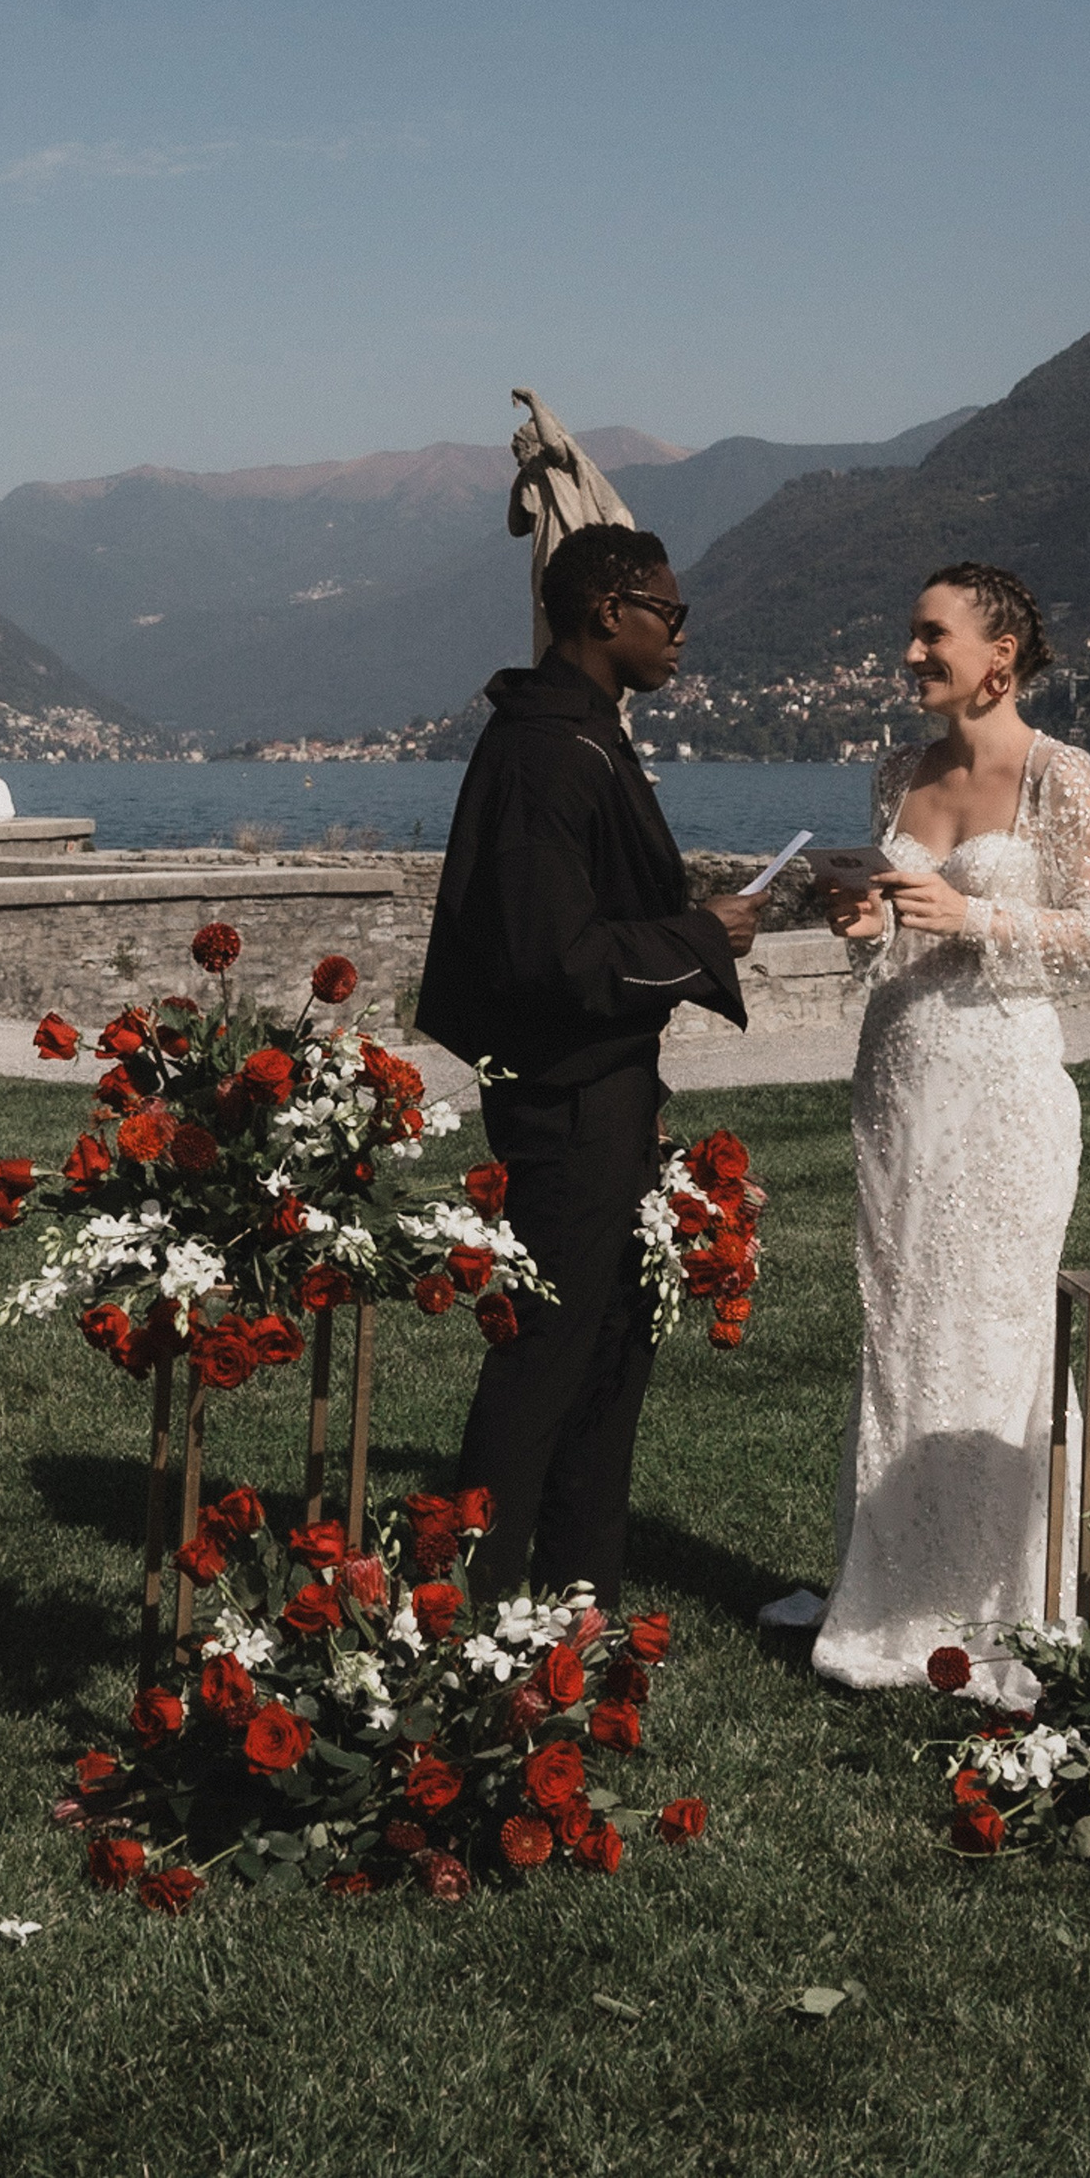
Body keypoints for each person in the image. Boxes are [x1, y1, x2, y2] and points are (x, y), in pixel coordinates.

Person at [782, 563, 1090, 1696]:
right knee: (900, 1322)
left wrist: (976, 911)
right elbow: (889, 933)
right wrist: (862, 918)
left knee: (991, 1321)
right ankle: (886, 1577)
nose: (909, 654)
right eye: (908, 635)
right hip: (898, 1077)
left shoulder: (1058, 773)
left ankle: (995, 1592)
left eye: (931, 635)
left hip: (1003, 1087)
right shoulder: (897, 771)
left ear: (999, 654)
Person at [416, 523, 760, 1608]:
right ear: (607, 609)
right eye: (671, 612)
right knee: (544, 1357)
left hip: (607, 1093)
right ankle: (470, 1610)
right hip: (564, 1102)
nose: (681, 637)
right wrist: (702, 935)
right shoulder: (546, 754)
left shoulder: (579, 739)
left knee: (609, 1351)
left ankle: (575, 1595)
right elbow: (550, 957)